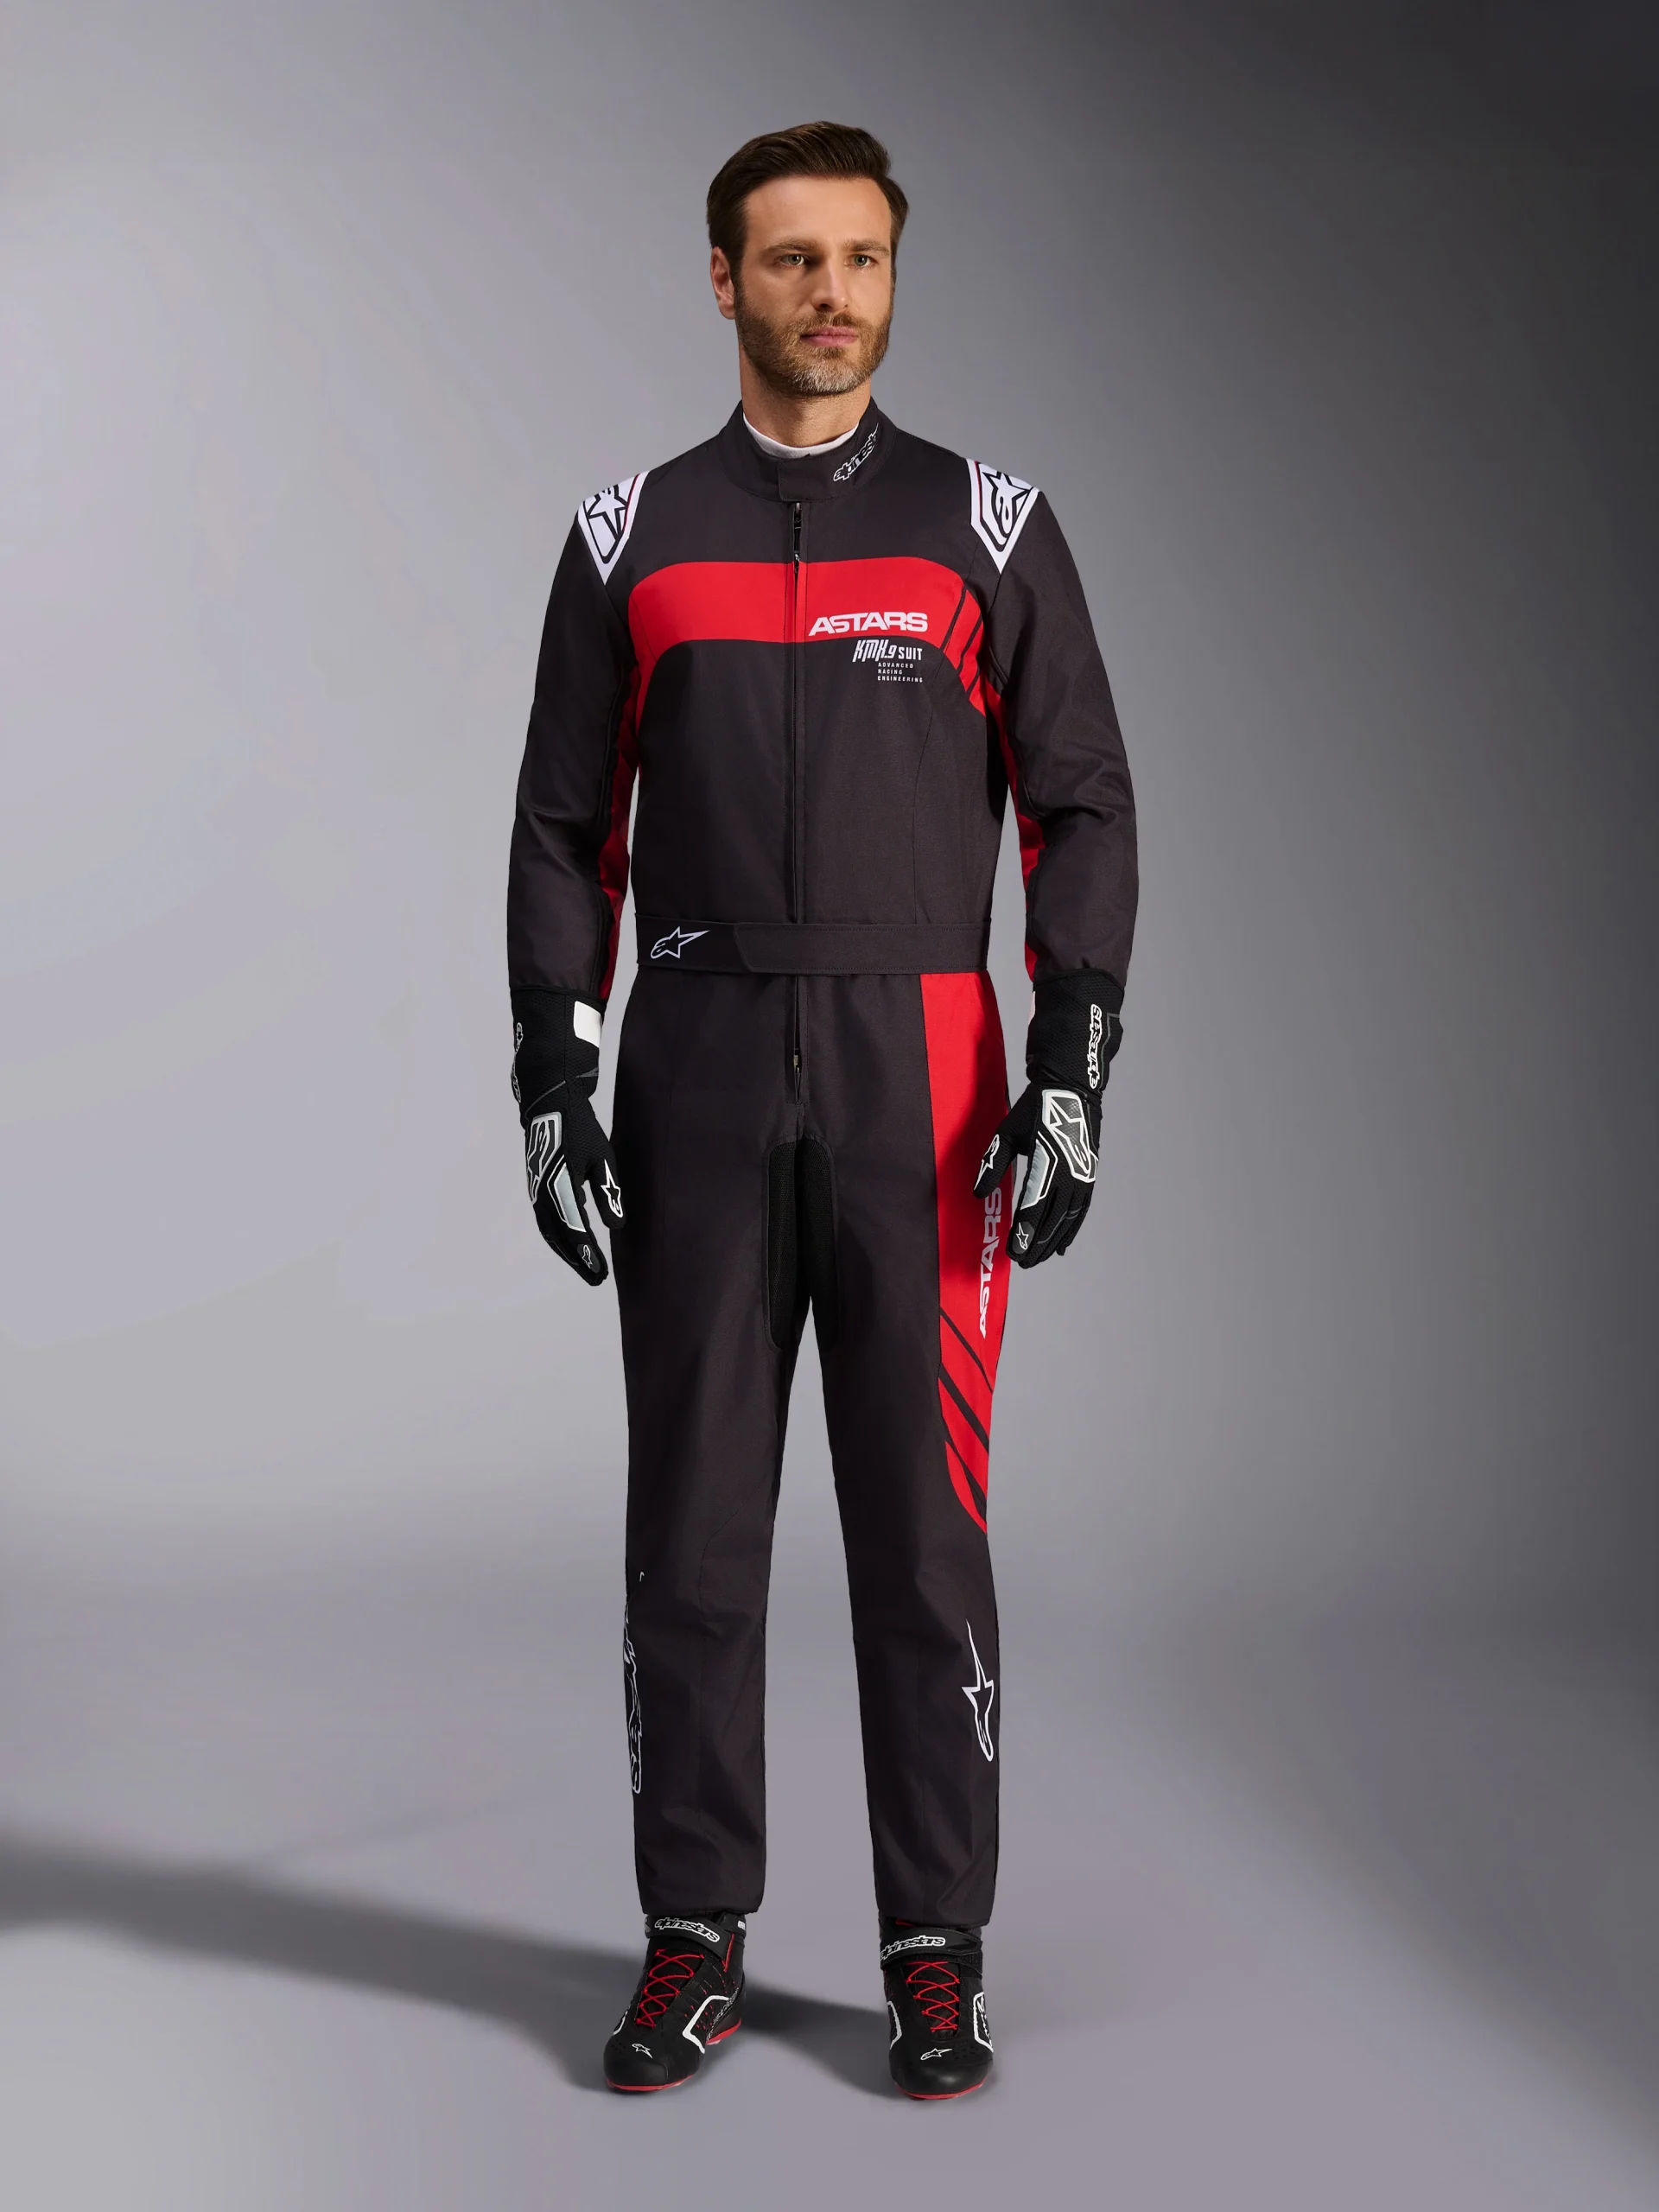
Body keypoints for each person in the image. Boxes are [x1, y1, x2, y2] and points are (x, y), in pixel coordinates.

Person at [505, 121, 1136, 2099]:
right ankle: (693, 1934)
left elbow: (1084, 802)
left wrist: (1073, 1064)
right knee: (691, 1530)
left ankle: (936, 1949)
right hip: (696, 1060)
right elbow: (560, 827)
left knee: (923, 1533)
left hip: (922, 1069)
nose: (831, 294)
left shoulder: (988, 528)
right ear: (724, 279)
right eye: (791, 259)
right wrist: (554, 1070)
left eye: (861, 257)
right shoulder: (630, 534)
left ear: (893, 272)